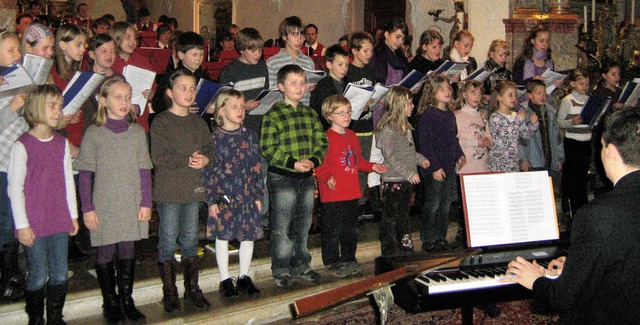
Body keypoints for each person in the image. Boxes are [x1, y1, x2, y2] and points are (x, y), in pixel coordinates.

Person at [503, 108, 640, 324]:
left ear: (611, 151)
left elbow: (562, 299)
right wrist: (579, 266)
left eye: (601, 145)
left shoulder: (595, 215)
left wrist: (536, 280)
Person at [73, 78, 151, 323]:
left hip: (131, 199)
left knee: (128, 248)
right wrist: (88, 208)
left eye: (128, 97)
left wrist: (146, 202)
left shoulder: (137, 132)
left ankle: (127, 299)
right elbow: (85, 173)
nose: (124, 102)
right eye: (118, 97)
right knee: (106, 250)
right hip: (105, 202)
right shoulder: (94, 133)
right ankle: (110, 302)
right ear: (103, 101)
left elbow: (144, 170)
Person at [8, 85, 79, 325]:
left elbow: (68, 180)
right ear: (37, 107)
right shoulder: (22, 145)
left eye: (60, 106)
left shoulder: (60, 143)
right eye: (52, 105)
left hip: (58, 218)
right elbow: (15, 188)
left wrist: (73, 215)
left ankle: (56, 318)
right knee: (38, 274)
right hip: (34, 221)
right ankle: (36, 319)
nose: (58, 111)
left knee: (59, 273)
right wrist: (22, 224)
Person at [150, 69, 214, 313]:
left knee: (190, 239)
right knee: (167, 240)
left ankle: (193, 289)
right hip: (169, 190)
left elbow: (210, 148)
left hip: (192, 189)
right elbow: (159, 157)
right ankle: (169, 292)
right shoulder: (161, 121)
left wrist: (206, 159)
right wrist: (187, 159)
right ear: (169, 92)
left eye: (191, 88)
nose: (188, 92)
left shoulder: (198, 122)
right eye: (182, 88)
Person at [260, 64, 328, 287]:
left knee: (303, 224)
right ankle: (281, 268)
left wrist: (313, 161)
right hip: (283, 178)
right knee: (281, 226)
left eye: (302, 83)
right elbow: (268, 147)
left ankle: (302, 263)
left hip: (306, 177)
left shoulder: (310, 113)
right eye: (293, 83)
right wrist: (293, 163)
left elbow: (322, 141)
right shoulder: (273, 114)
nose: (299, 87)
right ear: (281, 87)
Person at [315, 95, 387, 276]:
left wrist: (372, 166)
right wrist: (327, 177)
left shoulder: (352, 136)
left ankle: (348, 257)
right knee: (333, 228)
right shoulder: (326, 138)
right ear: (329, 116)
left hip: (351, 191)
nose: (347, 116)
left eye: (348, 111)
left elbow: (357, 161)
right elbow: (320, 164)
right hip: (334, 193)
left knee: (350, 229)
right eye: (341, 113)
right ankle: (332, 261)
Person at [203, 89, 264, 298]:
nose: (240, 111)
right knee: (223, 235)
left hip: (247, 193)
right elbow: (209, 171)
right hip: (224, 195)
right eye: (234, 107)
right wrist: (212, 199)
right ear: (221, 110)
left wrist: (258, 195)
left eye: (242, 106)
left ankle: (244, 276)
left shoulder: (249, 135)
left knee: (248, 235)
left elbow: (256, 166)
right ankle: (224, 278)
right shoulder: (214, 138)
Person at [376, 86, 429, 256]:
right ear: (399, 105)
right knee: (391, 217)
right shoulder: (389, 129)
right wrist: (408, 173)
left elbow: (408, 152)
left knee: (403, 215)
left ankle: (404, 245)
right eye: (409, 103)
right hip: (394, 180)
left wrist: (421, 160)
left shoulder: (406, 127)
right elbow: (391, 156)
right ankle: (390, 249)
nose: (412, 106)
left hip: (405, 180)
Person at [417, 75, 465, 252]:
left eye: (448, 88)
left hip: (448, 166)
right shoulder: (429, 115)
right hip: (434, 167)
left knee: (445, 203)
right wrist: (434, 167)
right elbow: (426, 144)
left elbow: (452, 139)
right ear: (432, 93)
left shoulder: (450, 115)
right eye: (441, 89)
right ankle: (428, 237)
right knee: (433, 203)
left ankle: (440, 236)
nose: (447, 92)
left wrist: (459, 154)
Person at [0, 30, 27, 302]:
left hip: (17, 161)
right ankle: (6, 278)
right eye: (10, 50)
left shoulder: (20, 80)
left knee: (15, 218)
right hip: (0, 161)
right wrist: (13, 107)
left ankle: (13, 272)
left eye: (17, 49)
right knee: (5, 221)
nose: (17, 55)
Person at [345, 31, 379, 219]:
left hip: (367, 126)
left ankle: (362, 203)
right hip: (353, 127)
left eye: (371, 51)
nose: (369, 55)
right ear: (354, 51)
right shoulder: (349, 72)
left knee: (365, 164)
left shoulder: (370, 72)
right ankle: (353, 203)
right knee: (352, 166)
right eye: (365, 51)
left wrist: (376, 100)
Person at [218, 27, 269, 135]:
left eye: (260, 50)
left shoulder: (262, 67)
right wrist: (244, 106)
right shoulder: (230, 71)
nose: (257, 55)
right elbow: (223, 103)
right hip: (239, 123)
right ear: (241, 50)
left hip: (261, 121)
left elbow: (265, 92)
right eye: (253, 51)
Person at [557, 68, 591, 215]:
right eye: (581, 83)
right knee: (572, 176)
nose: (585, 87)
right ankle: (571, 207)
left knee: (583, 176)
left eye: (587, 84)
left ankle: (582, 206)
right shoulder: (568, 100)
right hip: (572, 142)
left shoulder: (589, 100)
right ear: (572, 84)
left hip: (586, 142)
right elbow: (559, 122)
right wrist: (572, 122)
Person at [152, 31, 210, 116]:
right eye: (194, 55)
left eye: (201, 54)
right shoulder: (171, 77)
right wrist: (180, 108)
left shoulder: (204, 77)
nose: (199, 59)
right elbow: (157, 105)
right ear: (181, 55)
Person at [487, 81, 539, 172]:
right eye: (510, 95)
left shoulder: (515, 115)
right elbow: (508, 134)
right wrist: (519, 119)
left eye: (515, 95)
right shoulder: (495, 117)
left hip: (514, 162)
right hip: (499, 163)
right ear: (499, 97)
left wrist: (533, 124)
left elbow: (526, 135)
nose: (514, 98)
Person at [266, 16, 315, 106]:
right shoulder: (273, 62)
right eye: (295, 34)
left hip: (304, 108)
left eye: (302, 34)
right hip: (282, 110)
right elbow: (271, 92)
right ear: (284, 36)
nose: (299, 39)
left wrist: (310, 87)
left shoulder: (308, 62)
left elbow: (310, 93)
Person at [518, 79, 564, 174]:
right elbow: (521, 140)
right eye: (539, 93)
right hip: (533, 161)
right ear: (530, 95)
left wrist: (559, 157)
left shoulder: (550, 112)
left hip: (550, 159)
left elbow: (558, 136)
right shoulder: (524, 113)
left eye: (544, 93)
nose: (543, 96)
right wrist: (523, 160)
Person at [591, 63, 624, 196]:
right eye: (613, 74)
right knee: (603, 165)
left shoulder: (620, 91)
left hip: (618, 131)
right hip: (603, 132)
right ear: (604, 76)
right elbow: (596, 115)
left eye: (618, 74)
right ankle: (601, 194)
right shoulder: (599, 92)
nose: (617, 77)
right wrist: (612, 108)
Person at [454, 80, 490, 174]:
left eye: (479, 94)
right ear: (464, 95)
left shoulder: (482, 115)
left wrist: (489, 141)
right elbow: (456, 141)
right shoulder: (458, 116)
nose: (477, 96)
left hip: (482, 165)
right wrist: (476, 142)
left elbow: (488, 135)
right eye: (473, 93)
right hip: (467, 166)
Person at [310, 44, 350, 130]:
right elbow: (320, 113)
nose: (344, 69)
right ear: (329, 65)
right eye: (340, 64)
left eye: (346, 65)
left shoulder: (348, 83)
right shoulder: (322, 86)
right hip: (328, 130)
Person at [369, 19, 408, 87]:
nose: (400, 42)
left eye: (403, 39)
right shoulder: (377, 54)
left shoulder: (401, 56)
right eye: (397, 37)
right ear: (387, 34)